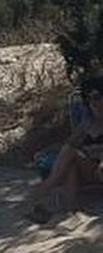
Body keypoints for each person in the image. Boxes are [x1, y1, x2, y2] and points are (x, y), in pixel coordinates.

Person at [27, 76, 103, 223]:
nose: (93, 103)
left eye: (97, 97)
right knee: (70, 157)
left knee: (72, 156)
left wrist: (96, 150)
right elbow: (68, 144)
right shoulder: (87, 123)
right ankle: (68, 211)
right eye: (88, 99)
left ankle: (44, 192)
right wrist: (45, 152)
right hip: (91, 169)